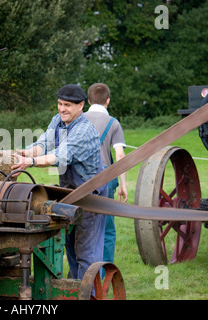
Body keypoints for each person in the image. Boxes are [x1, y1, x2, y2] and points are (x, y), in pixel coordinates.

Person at [12, 84, 107, 279]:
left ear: (81, 106)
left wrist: (29, 162)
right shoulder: (58, 121)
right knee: (70, 245)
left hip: (90, 195)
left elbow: (58, 156)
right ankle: (75, 288)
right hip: (70, 194)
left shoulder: (83, 131)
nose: (62, 109)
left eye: (67, 105)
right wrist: (26, 153)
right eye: (59, 104)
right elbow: (44, 145)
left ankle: (89, 292)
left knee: (86, 250)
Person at [85, 83, 128, 269]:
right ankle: (102, 275)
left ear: (88, 101)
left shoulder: (78, 119)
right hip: (105, 178)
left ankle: (82, 271)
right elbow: (119, 155)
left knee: (82, 226)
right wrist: (123, 184)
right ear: (107, 101)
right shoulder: (113, 123)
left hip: (81, 178)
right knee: (107, 229)